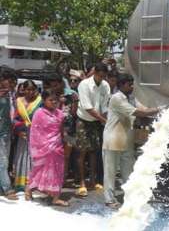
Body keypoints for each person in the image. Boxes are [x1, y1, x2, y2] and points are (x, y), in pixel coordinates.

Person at [102, 73, 160, 209]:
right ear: (121, 85)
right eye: (130, 84)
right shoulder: (117, 98)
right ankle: (109, 199)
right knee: (110, 172)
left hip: (126, 139)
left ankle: (130, 195)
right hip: (113, 139)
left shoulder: (131, 98)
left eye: (133, 83)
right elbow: (139, 113)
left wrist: (157, 112)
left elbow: (143, 109)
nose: (132, 87)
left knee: (128, 171)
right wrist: (160, 109)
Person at [26, 89, 69, 206]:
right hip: (43, 148)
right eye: (51, 100)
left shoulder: (60, 114)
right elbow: (35, 133)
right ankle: (29, 190)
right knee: (38, 170)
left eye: (56, 100)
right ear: (44, 100)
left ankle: (55, 197)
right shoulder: (39, 113)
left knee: (58, 171)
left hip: (57, 147)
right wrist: (45, 146)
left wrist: (63, 142)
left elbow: (61, 130)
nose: (54, 102)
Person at [75, 62, 110, 196]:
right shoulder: (84, 85)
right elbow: (87, 107)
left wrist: (106, 120)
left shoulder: (105, 86)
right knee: (82, 152)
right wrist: (104, 120)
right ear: (94, 73)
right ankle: (82, 183)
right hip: (84, 120)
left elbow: (105, 106)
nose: (101, 78)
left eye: (103, 76)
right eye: (100, 76)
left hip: (97, 121)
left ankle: (93, 181)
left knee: (94, 151)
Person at [13, 80, 42, 191]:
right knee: (22, 156)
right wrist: (19, 130)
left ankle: (34, 183)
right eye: (27, 89)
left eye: (32, 90)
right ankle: (21, 183)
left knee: (34, 158)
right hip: (23, 134)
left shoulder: (40, 102)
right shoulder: (18, 102)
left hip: (36, 135)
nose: (30, 92)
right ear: (23, 90)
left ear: (36, 90)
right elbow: (14, 118)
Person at [0, 71, 18, 200]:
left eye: (14, 82)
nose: (12, 85)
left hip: (7, 131)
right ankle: (7, 188)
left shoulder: (11, 95)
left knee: (4, 160)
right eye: (10, 82)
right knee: (3, 161)